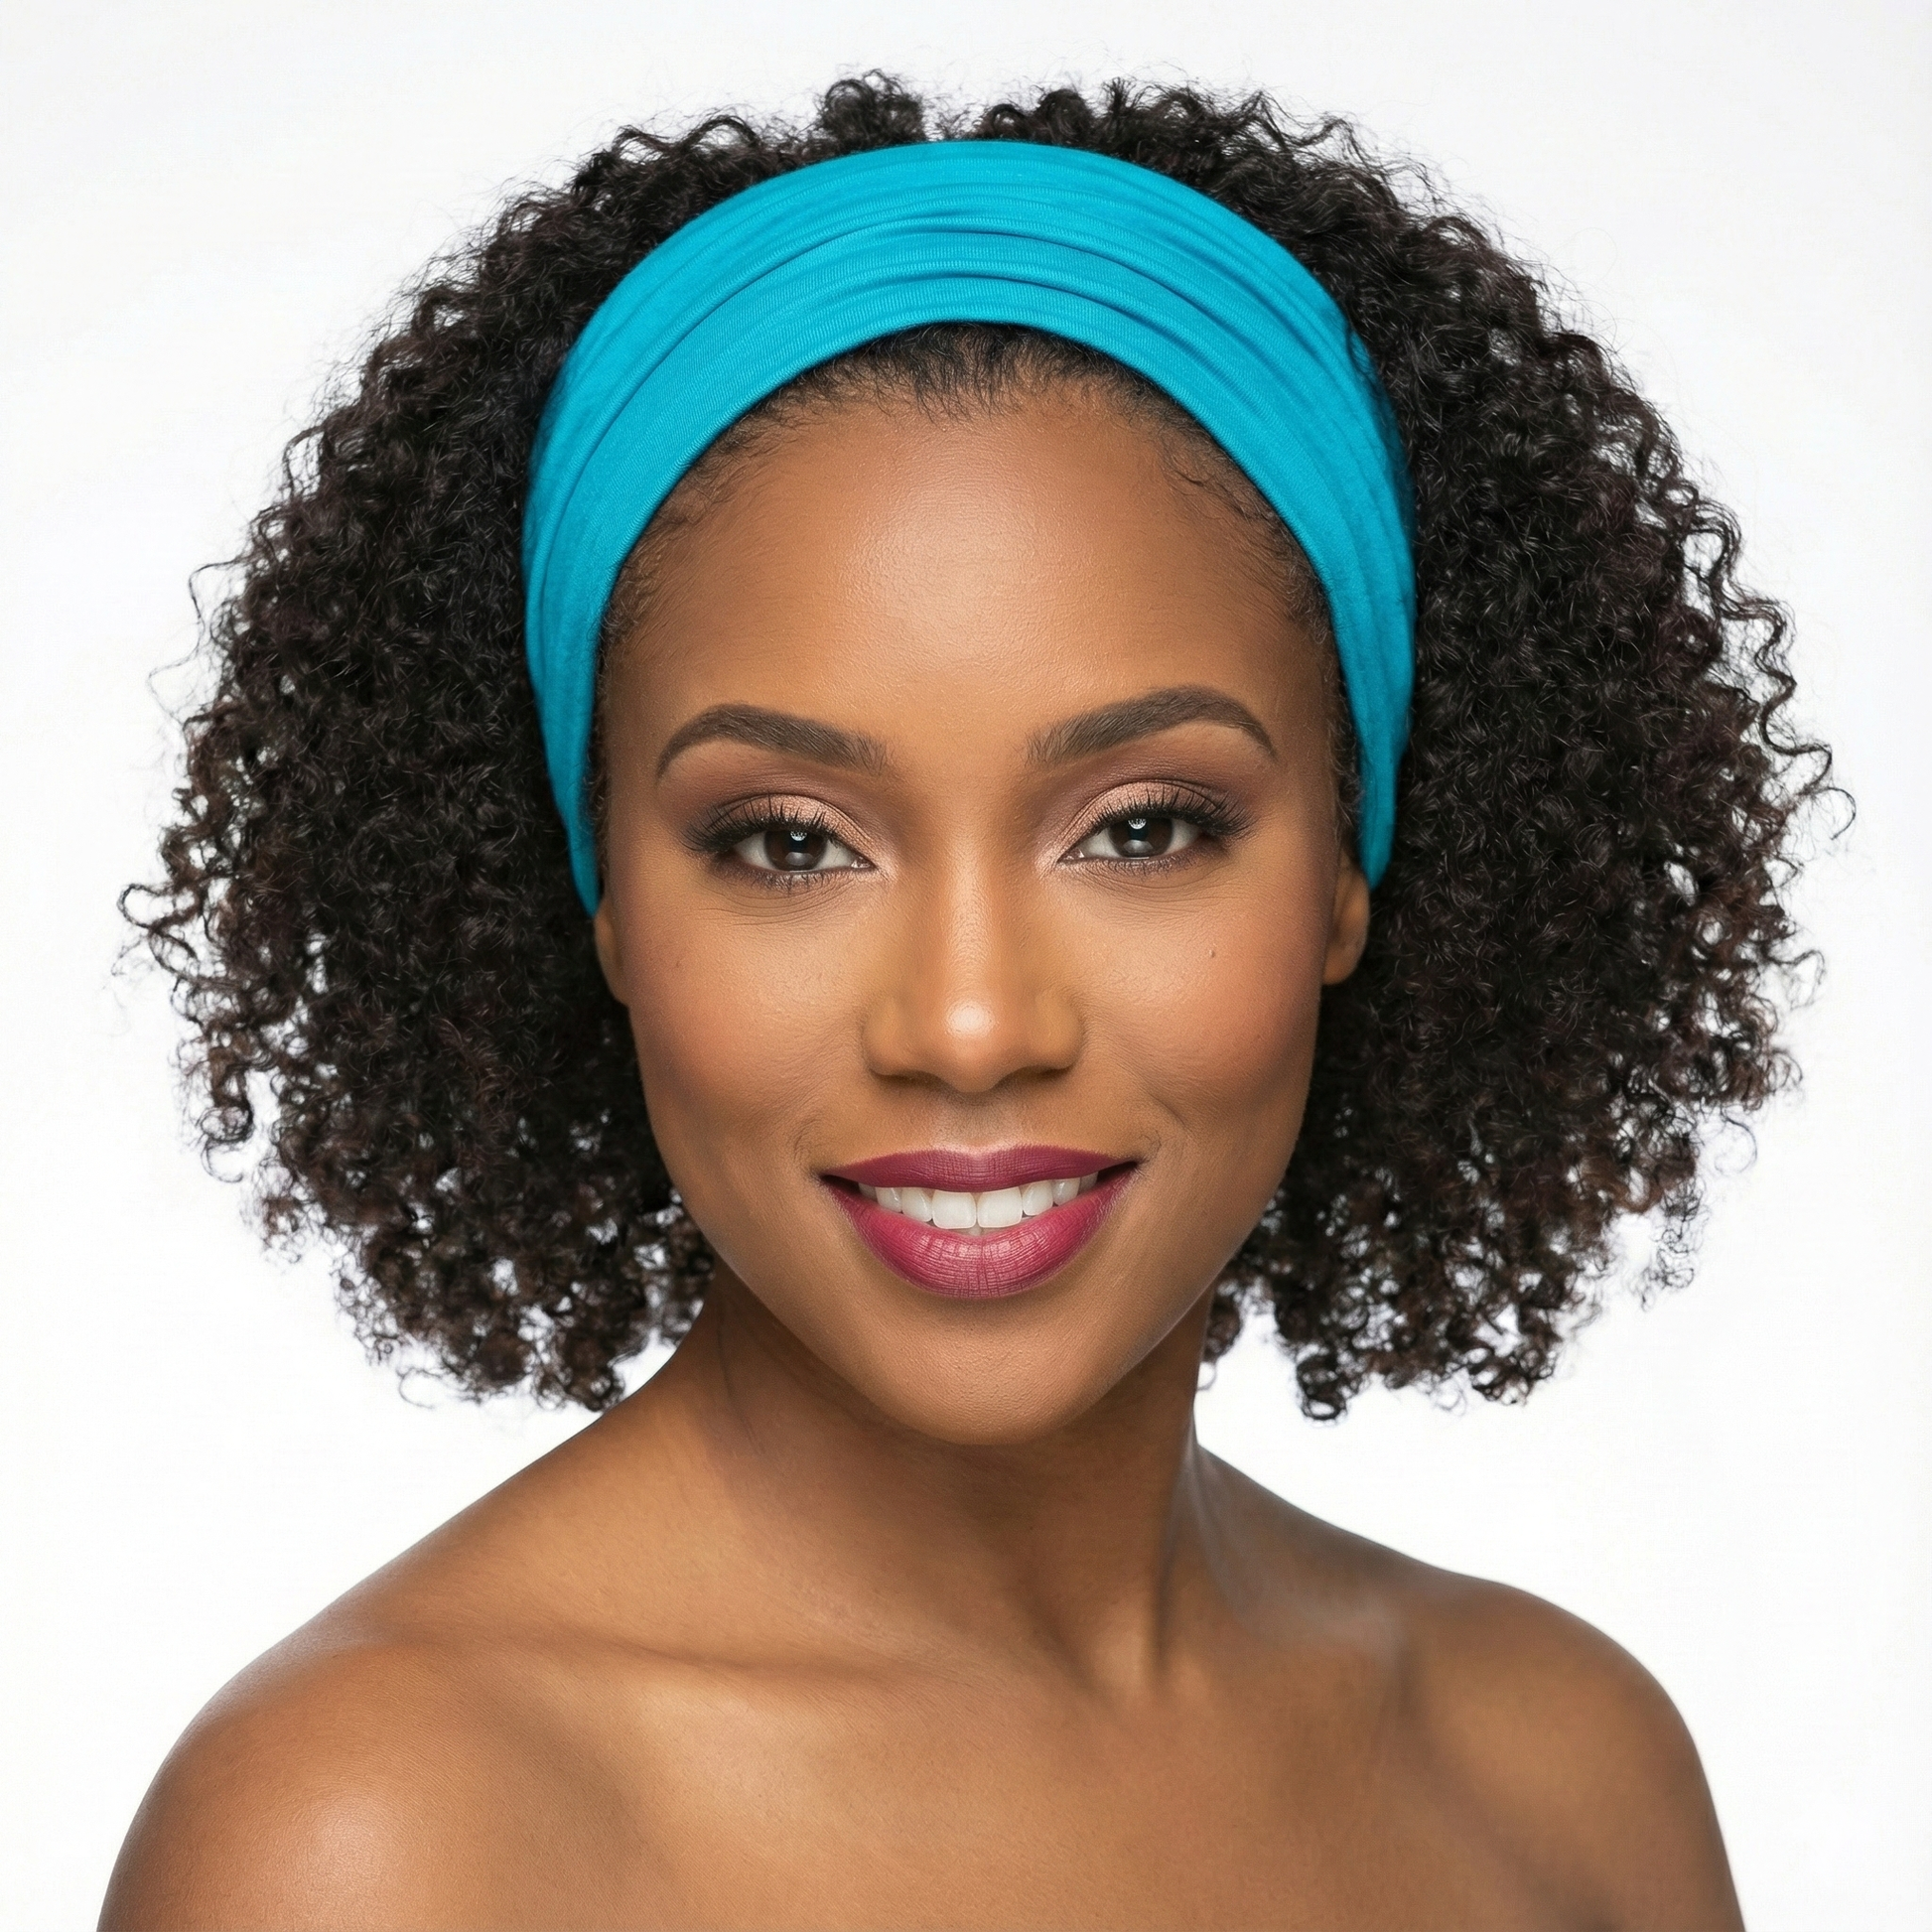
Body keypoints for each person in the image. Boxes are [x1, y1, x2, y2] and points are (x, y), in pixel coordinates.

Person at [102, 75, 1822, 1930]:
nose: (973, 1020)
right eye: (786, 842)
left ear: (1352, 861)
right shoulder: (380, 1843)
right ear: (597, 897)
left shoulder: (1557, 1775)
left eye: (1143, 826)